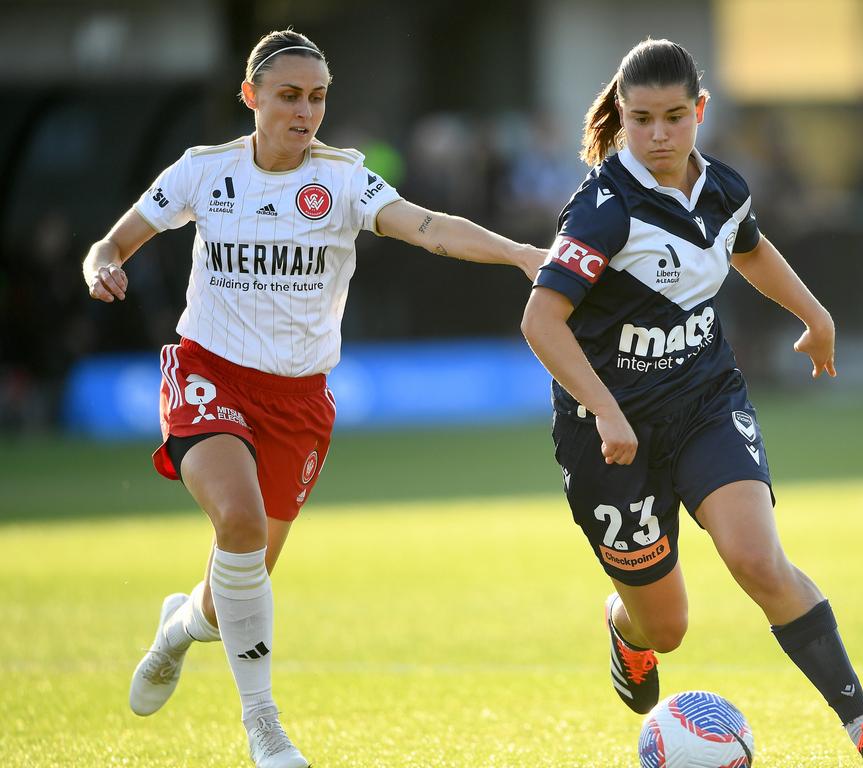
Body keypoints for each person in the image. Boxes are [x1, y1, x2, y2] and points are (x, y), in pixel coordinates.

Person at [83, 29, 544, 768]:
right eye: (289, 96)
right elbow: (115, 241)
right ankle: (264, 726)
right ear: (251, 97)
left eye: (318, 97)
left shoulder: (345, 182)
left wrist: (521, 253)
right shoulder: (204, 172)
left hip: (298, 402)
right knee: (235, 520)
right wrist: (101, 264)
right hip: (210, 373)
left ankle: (177, 631)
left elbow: (428, 228)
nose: (305, 112)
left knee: (238, 581)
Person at [520, 39, 863, 768]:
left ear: (699, 111)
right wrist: (607, 410)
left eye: (676, 116)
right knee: (665, 627)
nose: (660, 134)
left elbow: (749, 248)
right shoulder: (601, 210)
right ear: (622, 118)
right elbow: (540, 321)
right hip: (608, 435)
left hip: (704, 398)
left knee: (758, 561)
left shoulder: (724, 188)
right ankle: (626, 628)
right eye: (642, 120)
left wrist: (815, 315)